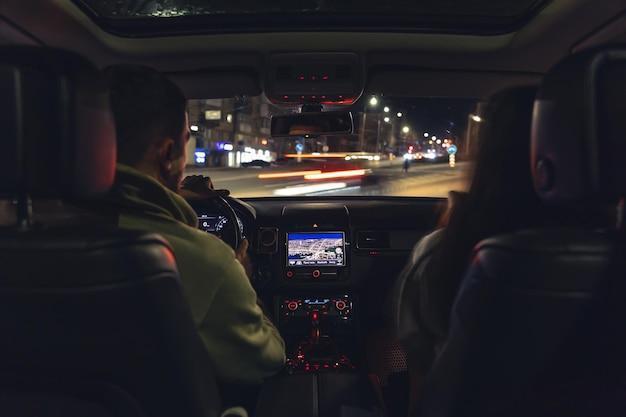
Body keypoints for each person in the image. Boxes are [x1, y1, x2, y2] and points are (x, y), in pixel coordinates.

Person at [103, 65, 286, 390]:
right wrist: (243, 281)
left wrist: (175, 192)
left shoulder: (29, 233)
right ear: (169, 152)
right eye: (186, 142)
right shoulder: (206, 262)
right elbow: (267, 361)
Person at [391, 86, 544, 413]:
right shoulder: (613, 253)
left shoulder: (442, 252)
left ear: (487, 155)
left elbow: (424, 374)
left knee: (379, 349)